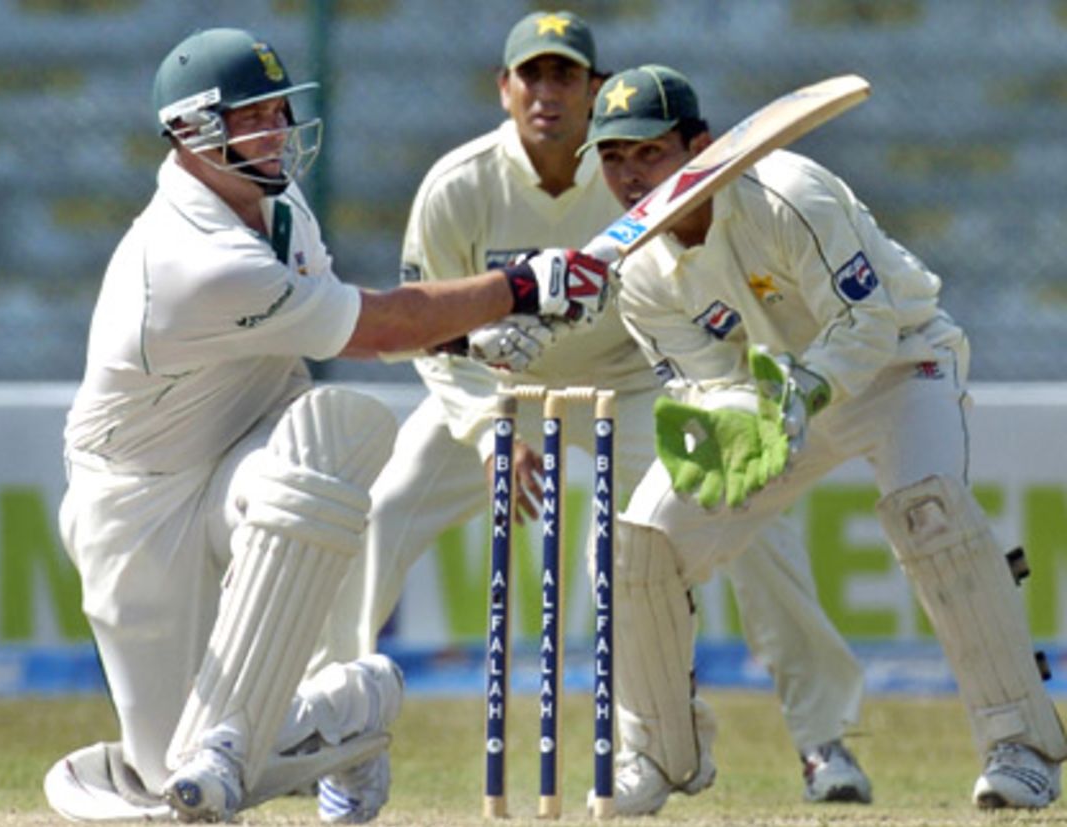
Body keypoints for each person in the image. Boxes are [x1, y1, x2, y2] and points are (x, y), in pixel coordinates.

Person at [43, 26, 611, 825]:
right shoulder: (190, 257)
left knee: (327, 441)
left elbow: (346, 323)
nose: (276, 131)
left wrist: (467, 334)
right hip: (136, 500)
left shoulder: (274, 200)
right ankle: (352, 706)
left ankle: (234, 745)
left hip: (250, 443)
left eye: (279, 111)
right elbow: (375, 329)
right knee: (178, 781)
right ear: (190, 131)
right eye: (254, 116)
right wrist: (518, 287)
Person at [309, 11, 870, 812]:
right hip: (493, 393)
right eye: (530, 75)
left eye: (564, 75)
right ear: (503, 89)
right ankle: (339, 733)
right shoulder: (458, 185)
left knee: (751, 520)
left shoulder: (634, 174)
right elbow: (427, 337)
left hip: (636, 381)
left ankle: (821, 739)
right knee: (385, 509)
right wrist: (487, 427)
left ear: (594, 89)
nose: (546, 91)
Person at [581, 63, 1067, 812]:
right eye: (614, 157)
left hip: (899, 365)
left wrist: (806, 388)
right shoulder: (639, 270)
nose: (630, 174)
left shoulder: (788, 194)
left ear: (702, 147)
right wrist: (733, 419)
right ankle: (657, 752)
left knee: (928, 510)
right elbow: (707, 377)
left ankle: (1021, 745)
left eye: (649, 152)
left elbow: (867, 321)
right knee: (642, 538)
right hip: (777, 402)